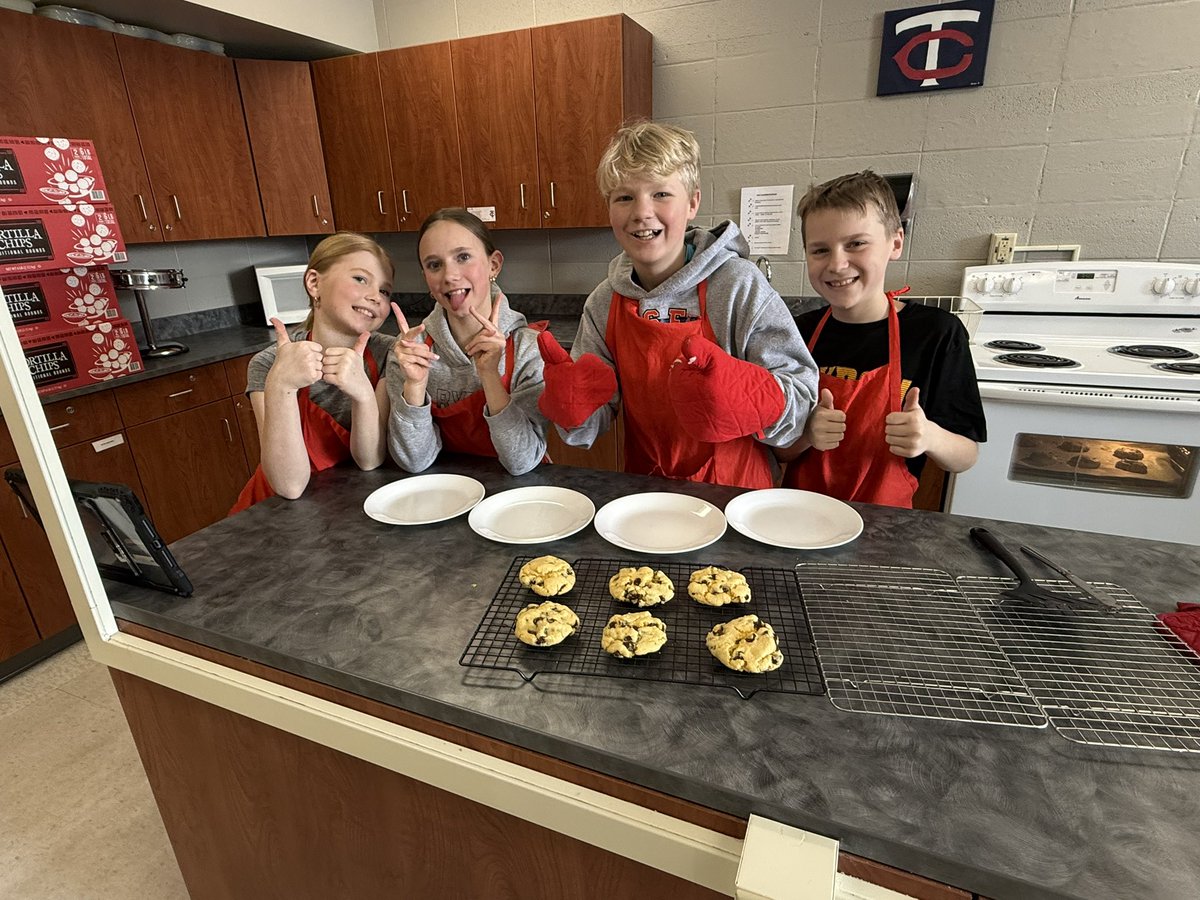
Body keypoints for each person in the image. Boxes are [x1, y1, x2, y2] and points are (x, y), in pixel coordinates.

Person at [535, 121, 818, 489]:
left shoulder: (737, 286)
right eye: (624, 197)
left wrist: (753, 397)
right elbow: (590, 427)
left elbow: (801, 403)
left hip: (738, 495)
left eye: (661, 194)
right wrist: (575, 409)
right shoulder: (604, 302)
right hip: (648, 491)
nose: (641, 212)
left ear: (693, 203)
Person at [778, 170, 985, 507]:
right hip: (801, 517)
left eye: (856, 243)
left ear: (896, 243)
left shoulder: (937, 334)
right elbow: (779, 452)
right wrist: (806, 435)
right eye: (819, 250)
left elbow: (966, 456)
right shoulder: (796, 333)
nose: (837, 263)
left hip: (887, 528)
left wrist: (929, 436)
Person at [230, 232, 395, 512]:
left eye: (385, 291)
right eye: (360, 279)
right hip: (277, 514)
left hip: (349, 506)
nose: (375, 296)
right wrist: (281, 385)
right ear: (314, 282)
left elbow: (369, 460)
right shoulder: (268, 363)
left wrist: (364, 395)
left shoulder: (388, 354)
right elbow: (288, 486)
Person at [386, 208, 548, 475]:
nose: (450, 275)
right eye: (434, 264)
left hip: (520, 500)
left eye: (463, 257)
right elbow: (414, 461)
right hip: (444, 495)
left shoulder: (528, 349)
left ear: (493, 265)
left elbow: (521, 461)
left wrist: (490, 377)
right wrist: (414, 386)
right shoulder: (410, 353)